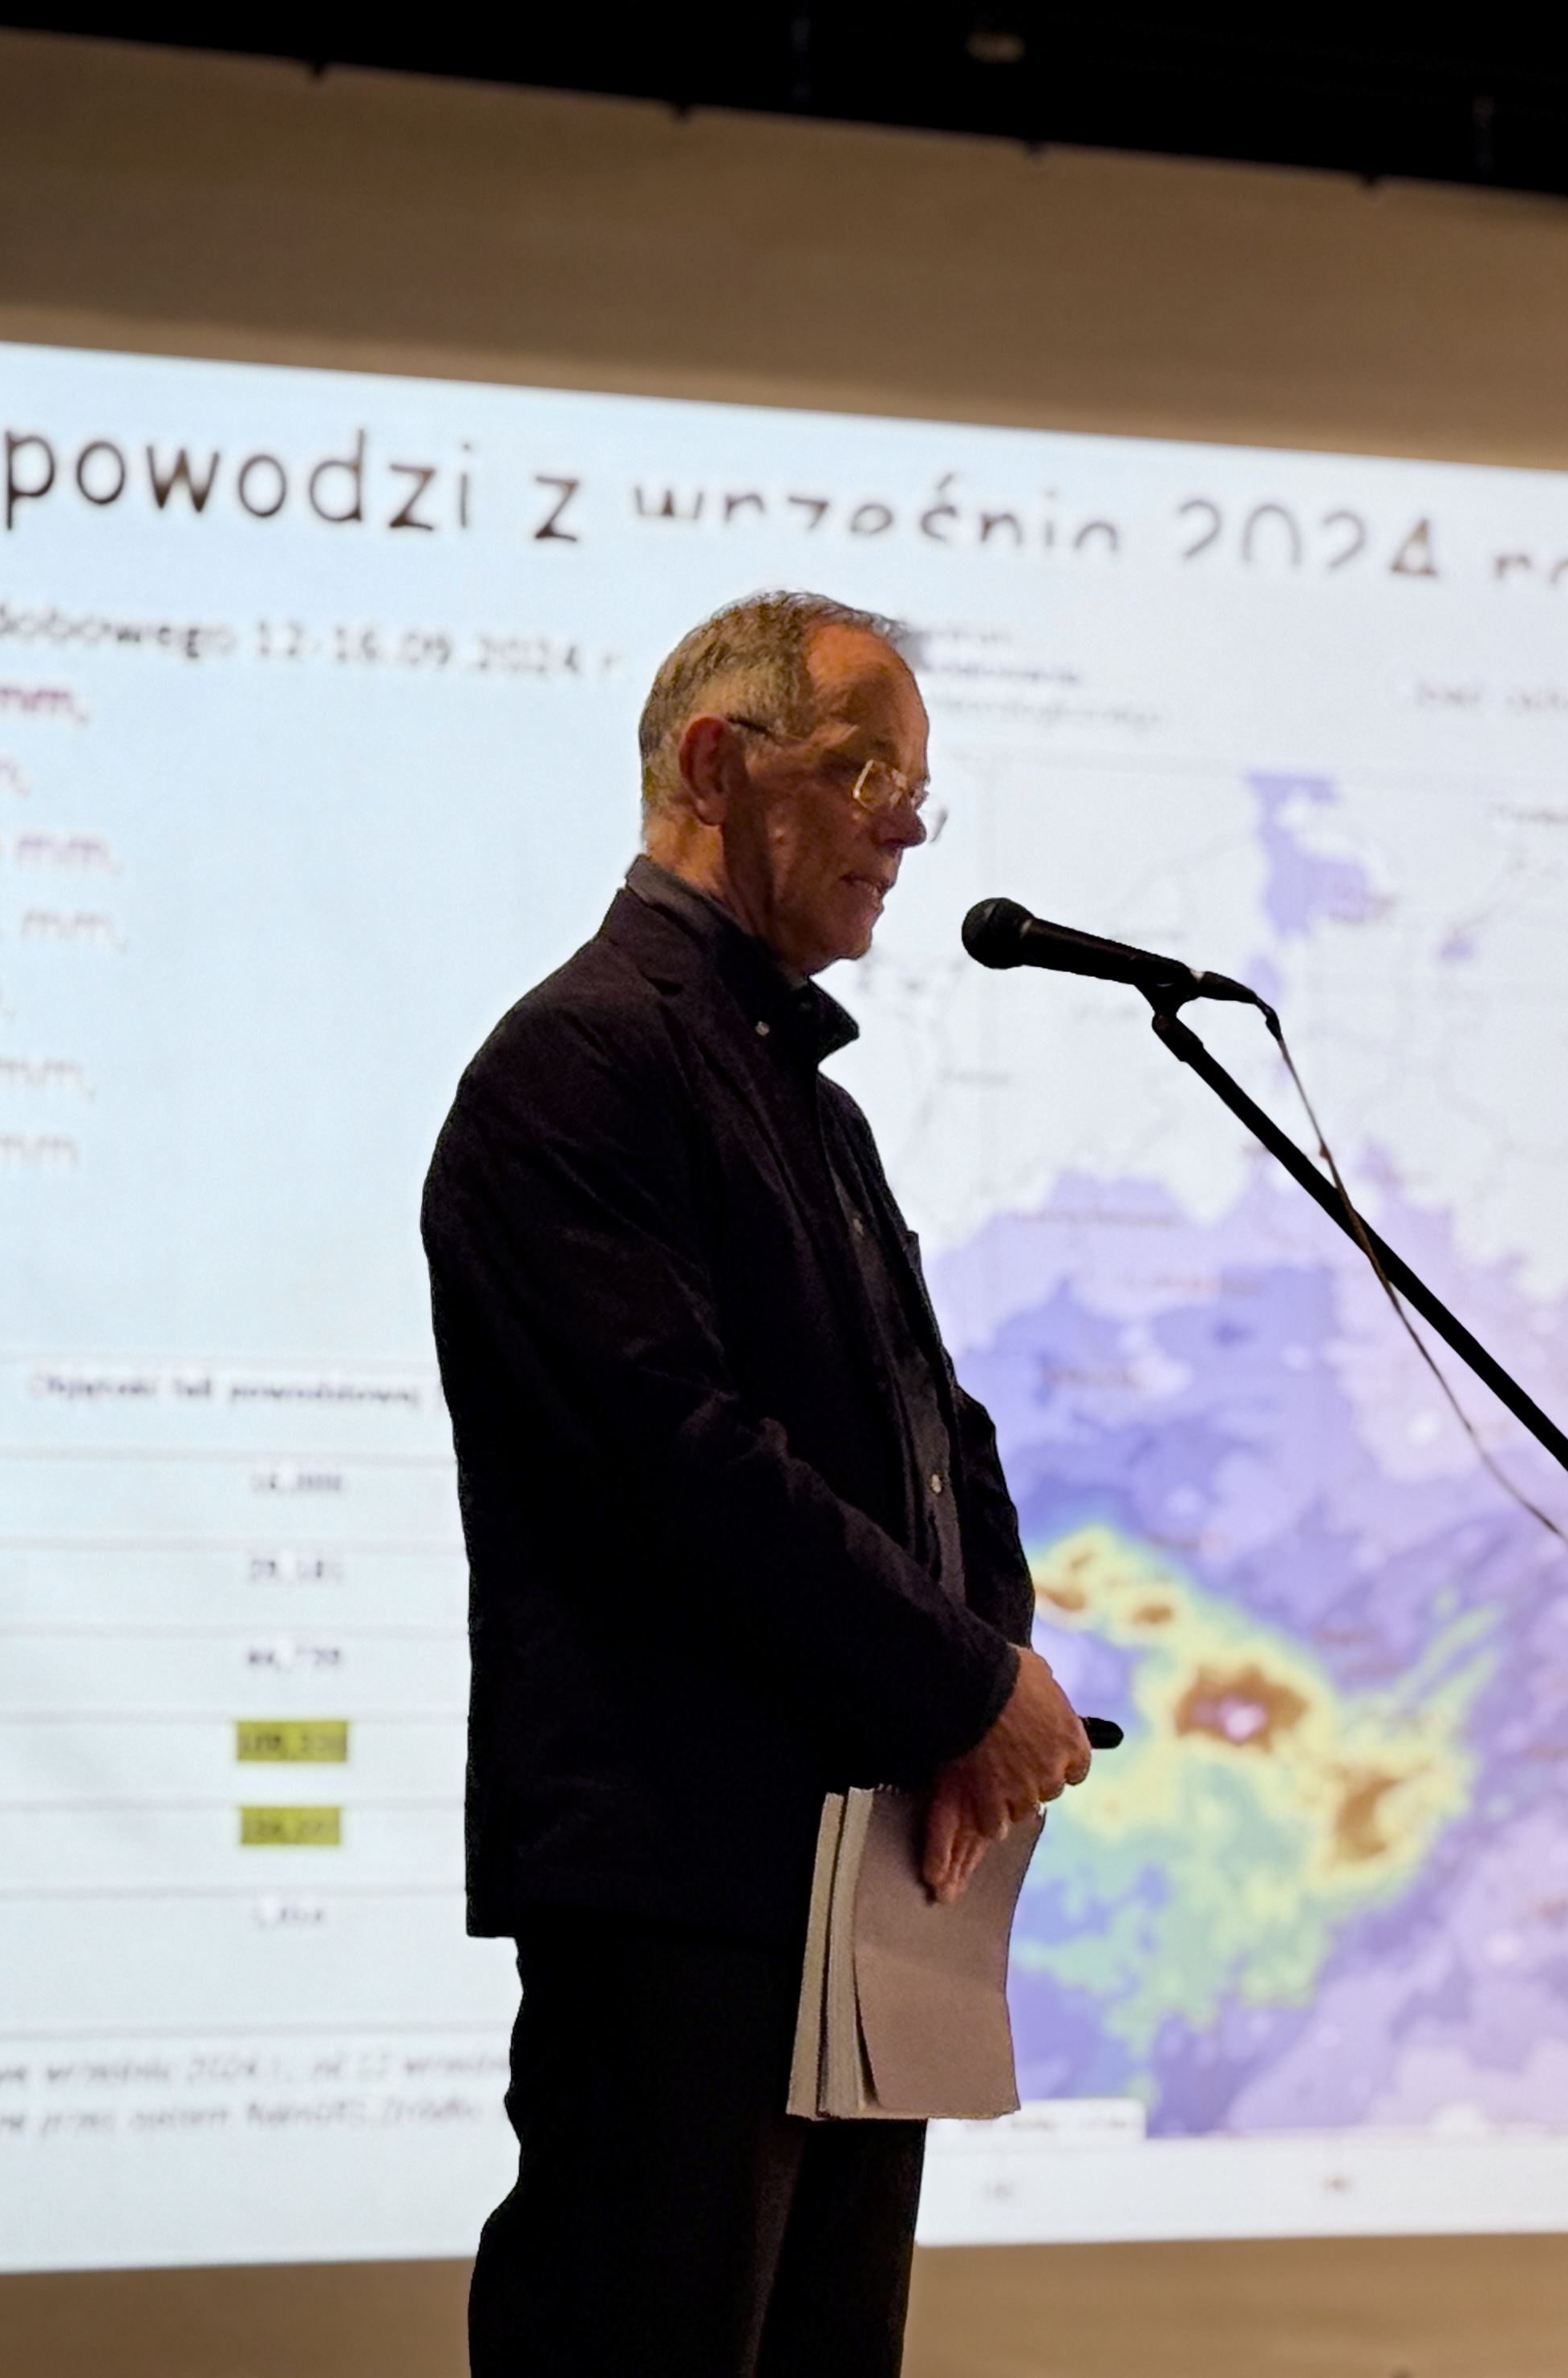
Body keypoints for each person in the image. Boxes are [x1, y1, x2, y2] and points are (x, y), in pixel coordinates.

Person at [423, 590, 1094, 2376]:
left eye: (918, 790)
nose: (905, 828)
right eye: (868, 773)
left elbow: (935, 1434)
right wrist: (963, 1689)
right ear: (716, 766)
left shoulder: (808, 1097)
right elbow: (685, 1463)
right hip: (684, 1889)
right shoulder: (580, 1063)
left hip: (853, 1889)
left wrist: (985, 1681)